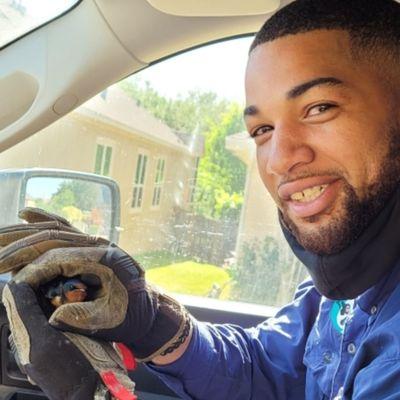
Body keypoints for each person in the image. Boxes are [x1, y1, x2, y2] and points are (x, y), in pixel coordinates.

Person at [2, 0, 400, 398]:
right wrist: (153, 321)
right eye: (262, 129)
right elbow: (263, 369)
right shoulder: (342, 289)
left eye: (319, 108)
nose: (279, 159)